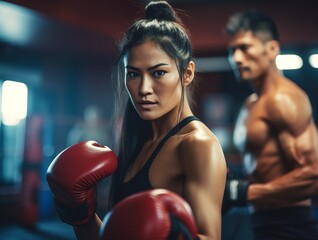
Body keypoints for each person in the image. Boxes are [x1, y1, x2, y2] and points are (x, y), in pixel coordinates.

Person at [46, 1, 227, 240]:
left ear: (187, 73)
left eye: (158, 73)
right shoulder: (138, 142)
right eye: (133, 74)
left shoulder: (197, 144)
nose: (143, 88)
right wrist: (81, 214)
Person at [222, 9, 318, 239]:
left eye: (245, 48)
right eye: (232, 50)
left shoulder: (284, 99)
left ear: (272, 49)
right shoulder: (250, 103)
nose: (237, 58)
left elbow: (316, 178)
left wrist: (244, 193)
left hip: (291, 225)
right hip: (262, 222)